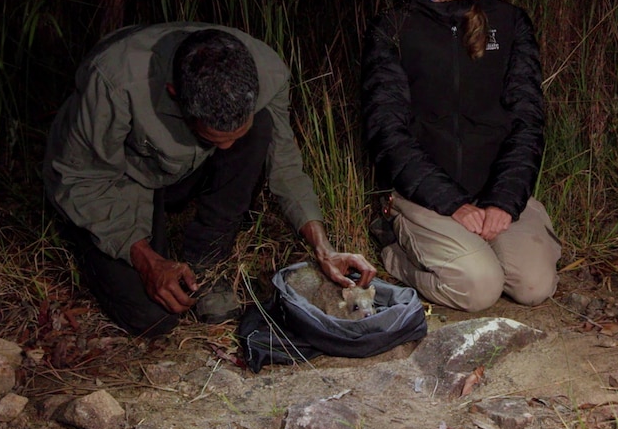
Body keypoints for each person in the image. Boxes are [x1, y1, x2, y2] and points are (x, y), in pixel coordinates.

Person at [44, 23, 376, 337]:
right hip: (122, 178)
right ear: (175, 95)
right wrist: (146, 260)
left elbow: (285, 164)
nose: (229, 149)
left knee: (261, 130)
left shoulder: (268, 72)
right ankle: (91, 239)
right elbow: (80, 179)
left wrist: (324, 249)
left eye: (234, 136)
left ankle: (207, 259)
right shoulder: (113, 83)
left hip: (187, 170)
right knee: (152, 318)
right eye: (216, 138)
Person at [360, 0, 561, 313]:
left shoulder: (509, 22)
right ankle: (395, 250)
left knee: (535, 287)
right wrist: (452, 203)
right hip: (428, 195)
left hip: (494, 190)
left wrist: (504, 201)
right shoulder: (393, 27)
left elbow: (527, 120)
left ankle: (487, 242)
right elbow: (386, 130)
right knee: (479, 289)